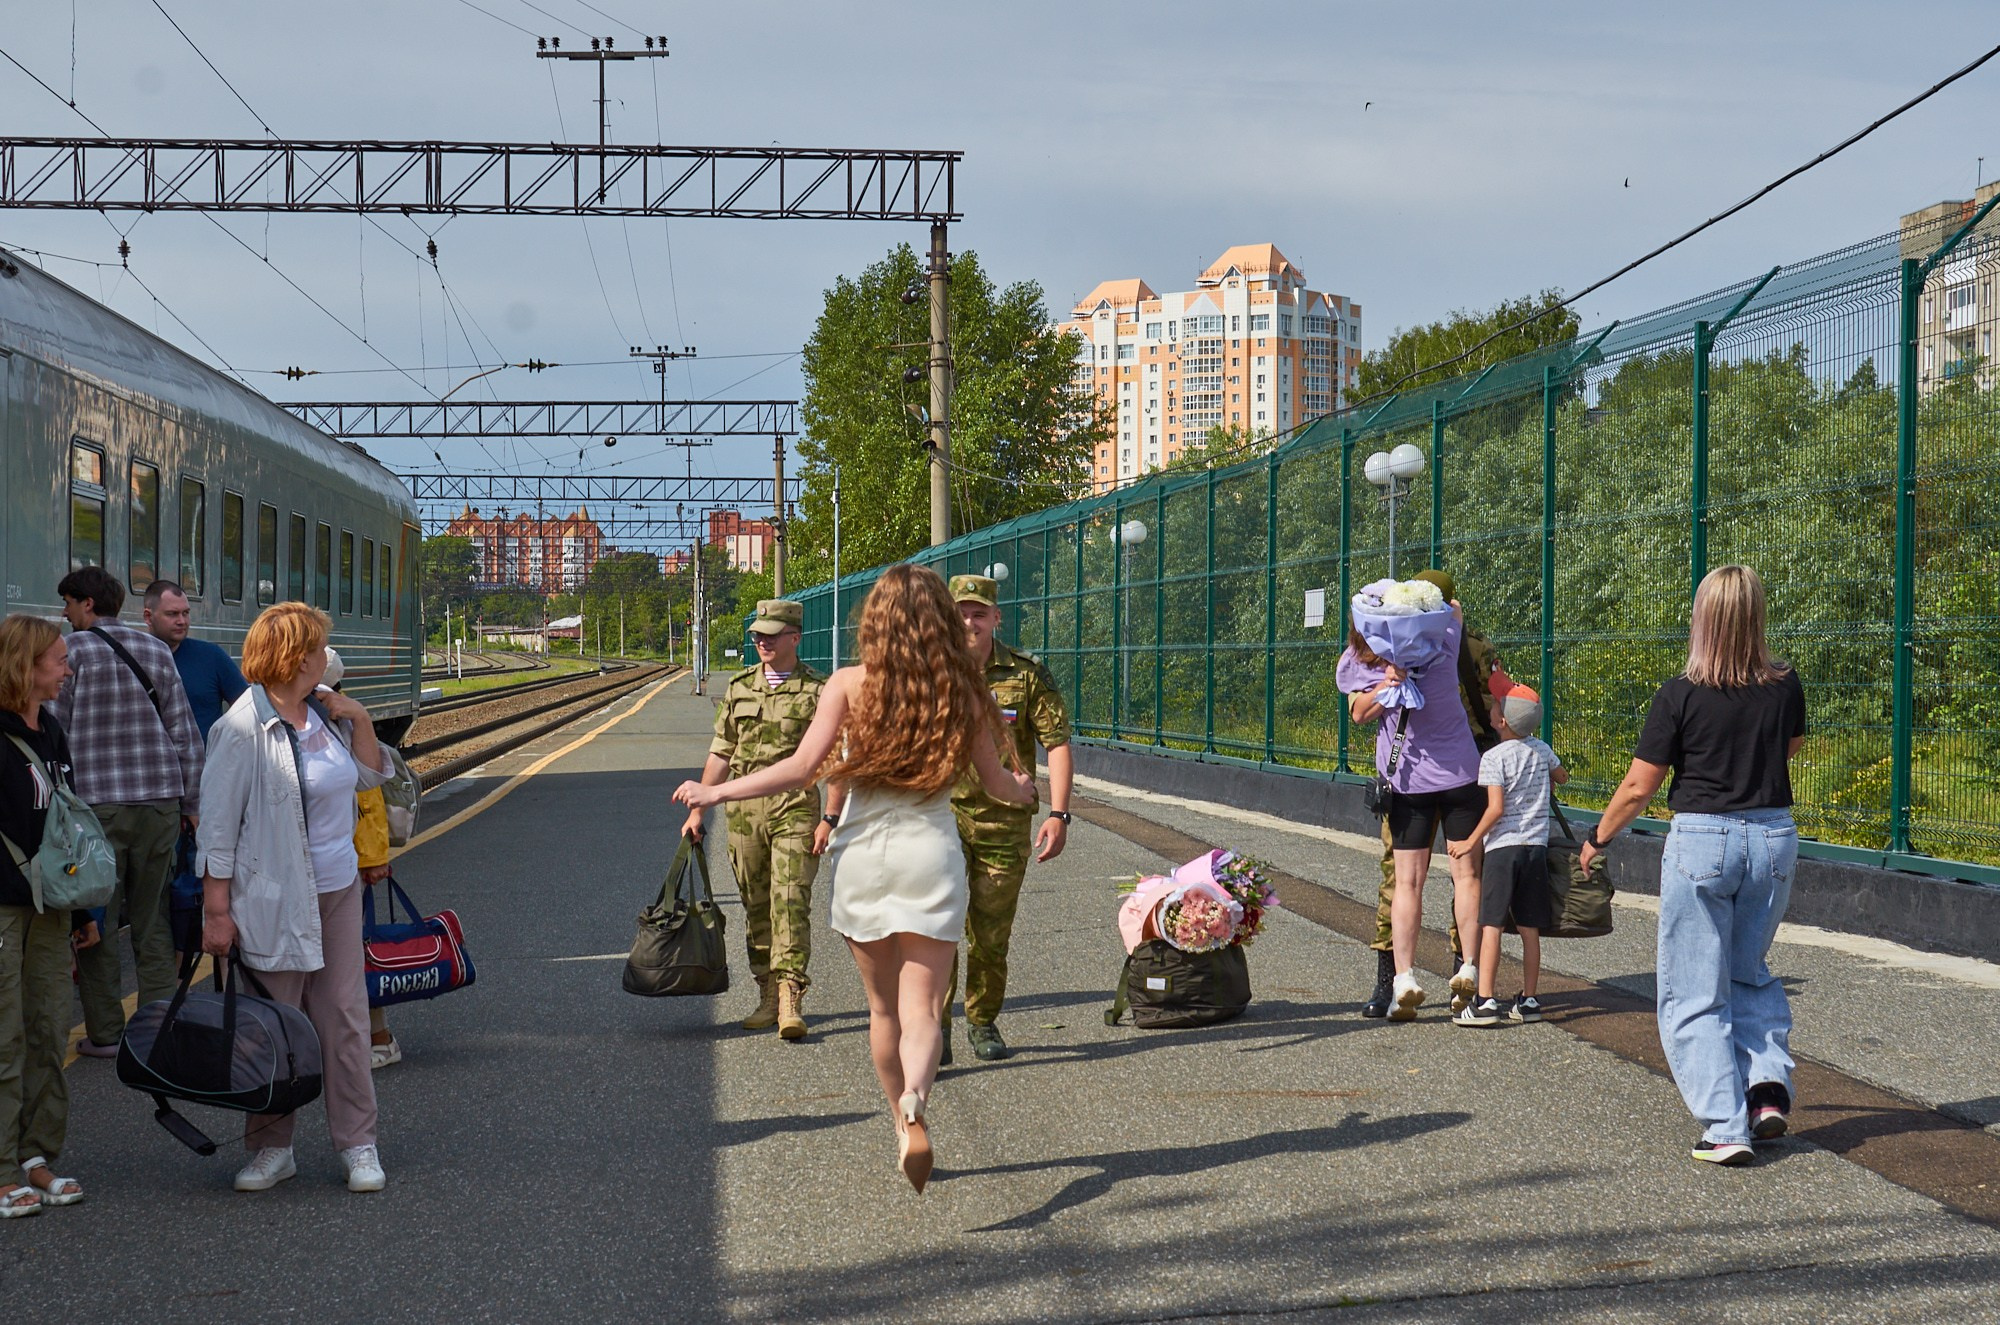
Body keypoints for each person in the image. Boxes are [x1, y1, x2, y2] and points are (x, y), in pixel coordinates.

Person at [674, 564, 1034, 1193]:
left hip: (864, 857)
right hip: (932, 854)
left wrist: (714, 790)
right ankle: (919, 1100)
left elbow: (799, 768)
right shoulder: (967, 690)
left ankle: (900, 1121)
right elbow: (1001, 786)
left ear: (876, 622)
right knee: (924, 1009)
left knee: (882, 1009)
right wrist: (1028, 791)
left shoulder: (846, 685)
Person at [1580, 565, 1806, 1167]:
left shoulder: (1679, 694)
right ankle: (1765, 1091)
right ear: (1757, 617)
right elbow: (1789, 750)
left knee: (1692, 986)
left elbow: (1639, 787)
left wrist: (1597, 837)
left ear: (1701, 619)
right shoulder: (1786, 685)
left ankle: (1725, 1125)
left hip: (1703, 838)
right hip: (1773, 838)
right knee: (1748, 969)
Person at [815, 574, 1072, 1065]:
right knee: (939, 931)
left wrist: (1059, 812)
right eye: (961, 613)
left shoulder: (1024, 674)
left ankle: (982, 1019)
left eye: (979, 613)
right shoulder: (925, 677)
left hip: (1002, 824)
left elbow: (1056, 743)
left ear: (997, 618)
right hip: (941, 821)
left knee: (991, 933)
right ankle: (937, 1028)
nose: (969, 622)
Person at [197, 604, 394, 1194]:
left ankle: (359, 1145)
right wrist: (217, 912)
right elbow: (216, 828)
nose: (324, 656)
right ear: (294, 656)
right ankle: (270, 1148)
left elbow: (366, 779)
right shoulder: (239, 729)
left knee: (345, 1021)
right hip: (272, 898)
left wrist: (358, 717)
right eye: (317, 648)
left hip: (337, 890)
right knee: (272, 1026)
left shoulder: (325, 715)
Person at [50, 567, 204, 1059]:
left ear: (88, 606)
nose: (65, 613)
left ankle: (107, 1033)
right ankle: (158, 1026)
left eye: (69, 604)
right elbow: (184, 735)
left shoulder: (71, 654)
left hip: (95, 812)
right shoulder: (157, 651)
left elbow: (55, 732)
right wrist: (193, 804)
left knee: (96, 920)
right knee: (153, 918)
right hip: (158, 803)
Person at [1358, 567, 1504, 1018]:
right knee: (1469, 876)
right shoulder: (1469, 642)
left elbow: (1361, 709)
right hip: (1469, 769)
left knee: (1400, 881)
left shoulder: (1384, 645)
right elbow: (1502, 704)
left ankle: (1392, 981)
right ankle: (1468, 973)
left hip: (1412, 777)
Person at [683, 600, 825, 1040]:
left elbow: (832, 760)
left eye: (772, 633)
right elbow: (722, 751)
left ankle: (789, 997)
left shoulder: (819, 692)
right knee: (756, 902)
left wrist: (831, 819)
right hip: (744, 812)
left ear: (795, 637)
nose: (762, 640)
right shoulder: (740, 688)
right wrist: (698, 809)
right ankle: (766, 991)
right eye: (758, 634)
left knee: (789, 898)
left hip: (795, 805)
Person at [0, 616, 101, 1217]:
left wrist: (85, 907)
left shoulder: (51, 731)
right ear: (24, 664)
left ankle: (37, 1155)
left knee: (46, 1028)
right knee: (3, 1036)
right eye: (59, 660)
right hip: (5, 905)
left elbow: (69, 829)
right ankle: (2, 1166)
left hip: (50, 906)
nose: (68, 669)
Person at [1449, 685, 1567, 1027]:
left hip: (1503, 850)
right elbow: (1562, 775)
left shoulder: (1494, 758)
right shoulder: (1542, 750)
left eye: (1496, 705)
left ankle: (1485, 1001)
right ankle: (1529, 1000)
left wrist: (1470, 841)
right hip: (1535, 848)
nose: (1491, 707)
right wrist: (1548, 780)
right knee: (1530, 928)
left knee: (1492, 925)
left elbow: (1496, 808)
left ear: (1502, 720)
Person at [322, 649, 400, 1069]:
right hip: (337, 862)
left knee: (355, 953)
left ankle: (378, 1037)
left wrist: (373, 859)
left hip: (348, 864)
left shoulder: (344, 722)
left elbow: (368, 800)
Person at [142, 579, 247, 742]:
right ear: (148, 617)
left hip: (206, 764)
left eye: (186, 613)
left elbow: (247, 709)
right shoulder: (133, 659)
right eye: (172, 614)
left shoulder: (211, 657)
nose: (182, 621)